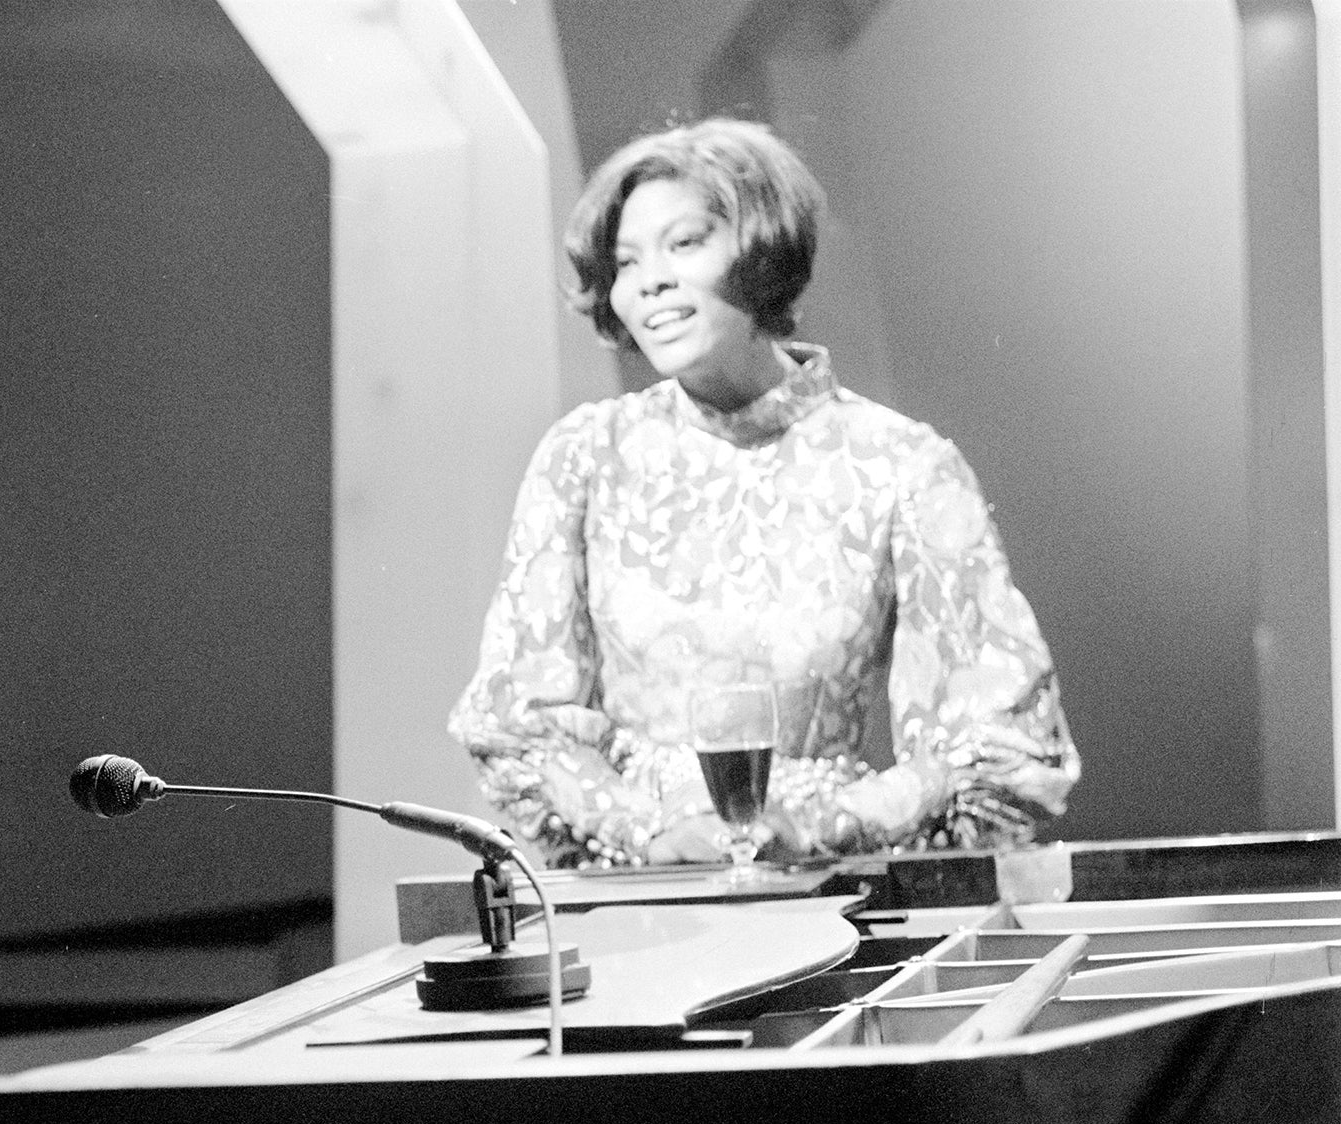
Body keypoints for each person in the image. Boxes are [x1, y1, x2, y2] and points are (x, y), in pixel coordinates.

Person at [450, 118, 1080, 867]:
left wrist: (822, 826)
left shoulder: (899, 465)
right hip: (636, 917)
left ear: (762, 251)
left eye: (684, 244)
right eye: (625, 262)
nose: (649, 280)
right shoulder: (586, 458)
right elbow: (521, 727)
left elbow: (997, 743)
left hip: (823, 897)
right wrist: (648, 833)